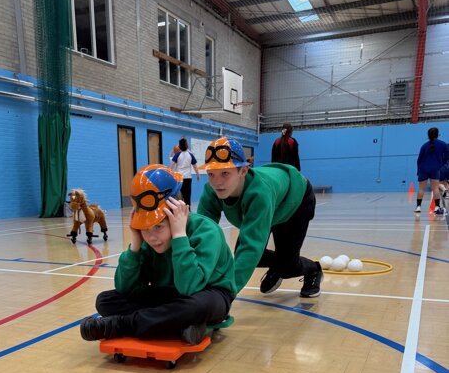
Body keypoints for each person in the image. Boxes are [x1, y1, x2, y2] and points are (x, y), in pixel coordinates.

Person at [80, 164, 236, 345]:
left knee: (196, 307)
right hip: (168, 297)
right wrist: (136, 243)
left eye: (159, 227)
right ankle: (178, 325)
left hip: (206, 294)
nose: (151, 237)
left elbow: (190, 287)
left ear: (177, 215)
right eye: (144, 228)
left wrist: (179, 236)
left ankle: (123, 324)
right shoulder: (146, 239)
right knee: (105, 300)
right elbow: (125, 288)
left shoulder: (207, 231)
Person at [197, 136, 323, 298]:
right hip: (273, 198)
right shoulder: (211, 191)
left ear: (243, 171)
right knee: (254, 256)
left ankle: (313, 270)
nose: (217, 182)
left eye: (225, 173)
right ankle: (279, 264)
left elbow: (250, 247)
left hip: (295, 199)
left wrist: (224, 294)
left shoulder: (259, 194)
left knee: (287, 266)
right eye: (211, 174)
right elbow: (202, 234)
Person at [415, 127, 448, 215]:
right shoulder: (443, 144)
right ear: (438, 134)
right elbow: (447, 156)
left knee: (421, 188)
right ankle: (437, 207)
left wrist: (418, 170)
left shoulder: (424, 146)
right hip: (435, 169)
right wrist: (440, 164)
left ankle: (418, 207)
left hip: (423, 169)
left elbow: (419, 160)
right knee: (435, 188)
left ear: (428, 135)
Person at [170, 138, 200, 207]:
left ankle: (180, 210)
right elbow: (195, 166)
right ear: (187, 145)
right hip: (188, 178)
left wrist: (170, 174)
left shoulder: (177, 155)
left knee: (179, 196)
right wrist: (198, 175)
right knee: (187, 196)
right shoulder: (190, 155)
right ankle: (188, 210)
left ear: (180, 146)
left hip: (179, 179)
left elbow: (172, 165)